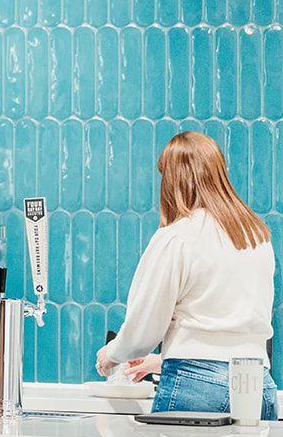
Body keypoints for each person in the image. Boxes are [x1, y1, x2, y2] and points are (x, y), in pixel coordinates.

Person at [96, 130, 278, 419]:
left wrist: (112, 354)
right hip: (260, 386)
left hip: (196, 386)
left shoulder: (177, 237)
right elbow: (227, 325)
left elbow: (142, 330)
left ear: (173, 180)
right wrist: (160, 361)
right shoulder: (257, 237)